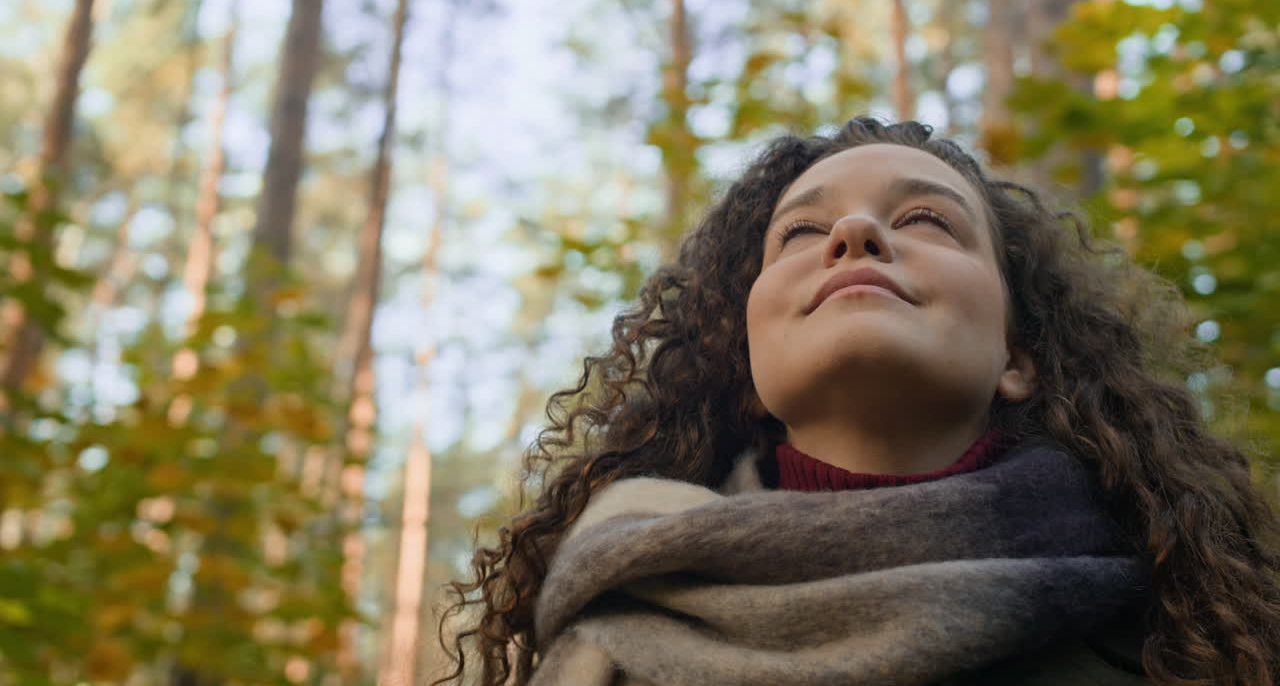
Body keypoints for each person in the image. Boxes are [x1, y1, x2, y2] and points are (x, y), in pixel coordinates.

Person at [432, 117, 1280, 685]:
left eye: (927, 220)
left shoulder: (1196, 633)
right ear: (749, 373)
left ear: (1016, 358)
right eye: (800, 233)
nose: (854, 236)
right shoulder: (610, 639)